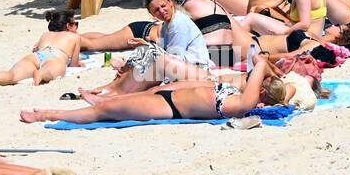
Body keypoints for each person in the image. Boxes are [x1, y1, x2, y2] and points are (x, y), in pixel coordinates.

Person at [21, 55, 294, 125]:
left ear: (261, 94)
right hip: (168, 94)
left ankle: (46, 114)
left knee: (103, 113)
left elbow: (258, 66)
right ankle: (98, 99)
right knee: (116, 103)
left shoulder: (244, 104)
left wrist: (263, 66)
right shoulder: (241, 96)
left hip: (169, 108)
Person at [79, 0, 210, 98]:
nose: (162, 11)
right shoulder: (167, 24)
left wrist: (146, 47)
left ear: (170, 2)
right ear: (151, 14)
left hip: (195, 68)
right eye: (156, 10)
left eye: (163, 6)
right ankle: (112, 87)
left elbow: (174, 58)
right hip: (184, 66)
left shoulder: (178, 23)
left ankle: (118, 90)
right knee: (144, 50)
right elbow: (166, 51)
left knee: (146, 51)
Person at [0, 10, 81, 86]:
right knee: (49, 72)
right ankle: (41, 74)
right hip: (55, 58)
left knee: (13, 76)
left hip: (36, 56)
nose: (76, 27)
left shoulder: (46, 34)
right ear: (67, 26)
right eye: (75, 24)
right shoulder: (75, 37)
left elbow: (36, 48)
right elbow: (74, 65)